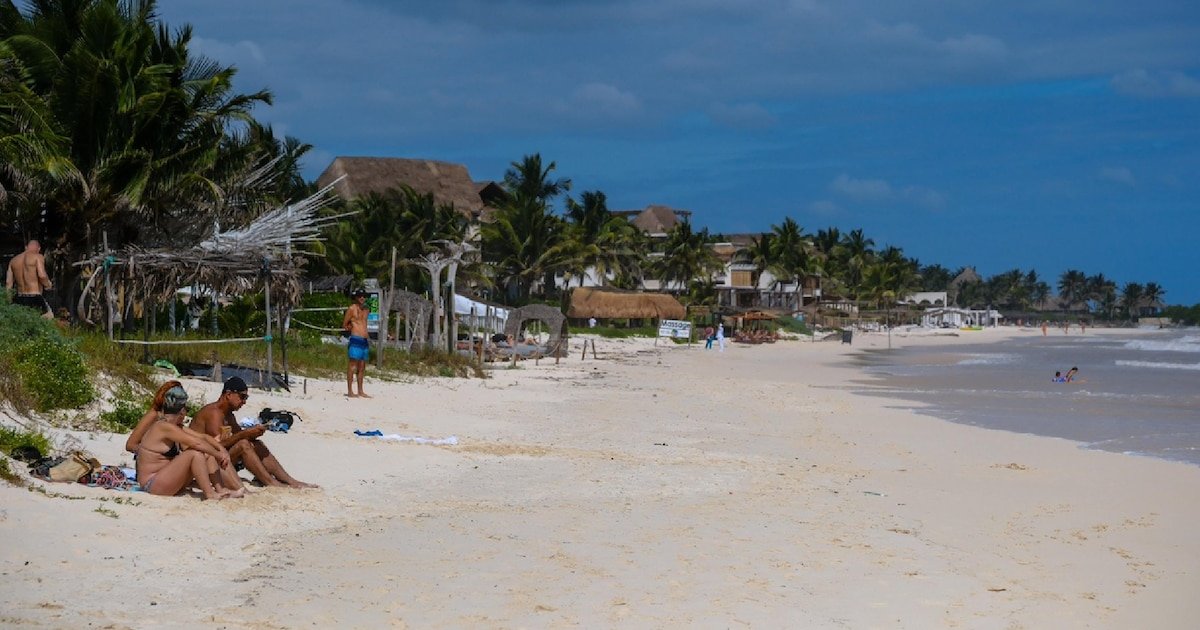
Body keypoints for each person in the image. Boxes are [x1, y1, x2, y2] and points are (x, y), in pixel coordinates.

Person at [190, 377, 316, 488]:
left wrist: (253, 433)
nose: (244, 401)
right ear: (228, 394)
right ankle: (271, 482)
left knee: (256, 444)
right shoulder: (213, 413)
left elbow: (237, 436)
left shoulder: (229, 415)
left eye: (246, 397)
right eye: (242, 396)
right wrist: (245, 434)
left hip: (219, 460)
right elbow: (217, 446)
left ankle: (290, 480)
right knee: (244, 444)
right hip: (204, 463)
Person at [127, 381, 245, 494]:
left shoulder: (176, 425)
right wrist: (148, 452)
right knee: (197, 452)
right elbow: (130, 445)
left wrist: (220, 449)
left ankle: (223, 489)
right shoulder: (160, 421)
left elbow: (201, 437)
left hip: (166, 471)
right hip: (153, 478)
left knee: (205, 452)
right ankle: (212, 493)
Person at [5, 239, 53, 318]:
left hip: (19, 297)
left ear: (26, 247)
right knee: (49, 318)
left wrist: (9, 301)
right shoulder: (38, 257)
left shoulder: (13, 260)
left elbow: (8, 283)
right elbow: (42, 275)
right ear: (39, 249)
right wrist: (48, 284)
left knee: (22, 322)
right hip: (35, 297)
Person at [342, 288, 371, 398]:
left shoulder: (366, 310)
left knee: (362, 366)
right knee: (352, 365)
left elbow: (364, 324)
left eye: (363, 296)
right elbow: (345, 324)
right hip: (355, 339)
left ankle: (360, 390)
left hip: (364, 340)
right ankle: (350, 391)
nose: (362, 298)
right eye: (359, 296)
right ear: (356, 297)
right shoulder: (351, 309)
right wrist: (350, 327)